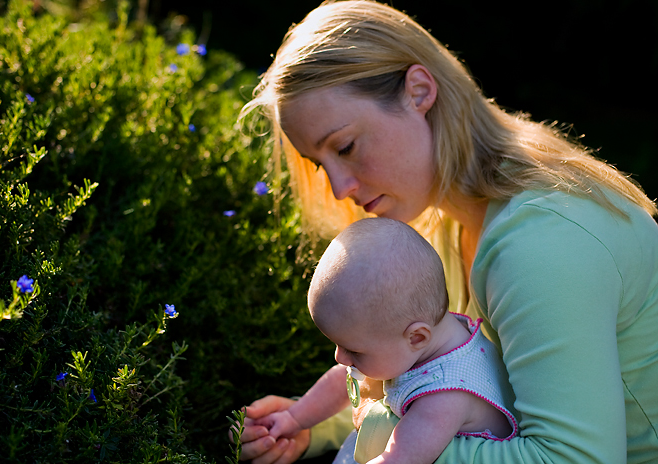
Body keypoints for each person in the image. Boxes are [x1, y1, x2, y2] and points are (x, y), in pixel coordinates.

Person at [233, 0, 658, 462]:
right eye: (321, 165)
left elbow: (577, 459)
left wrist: (381, 444)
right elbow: (435, 375)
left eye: (346, 146)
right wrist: (311, 425)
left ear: (418, 91)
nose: (339, 188)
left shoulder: (542, 243)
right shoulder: (441, 222)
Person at [254, 217, 518, 464]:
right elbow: (344, 379)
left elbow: (398, 458)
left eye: (353, 350)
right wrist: (294, 417)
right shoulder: (427, 337)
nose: (340, 357)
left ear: (416, 337)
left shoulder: (443, 400)